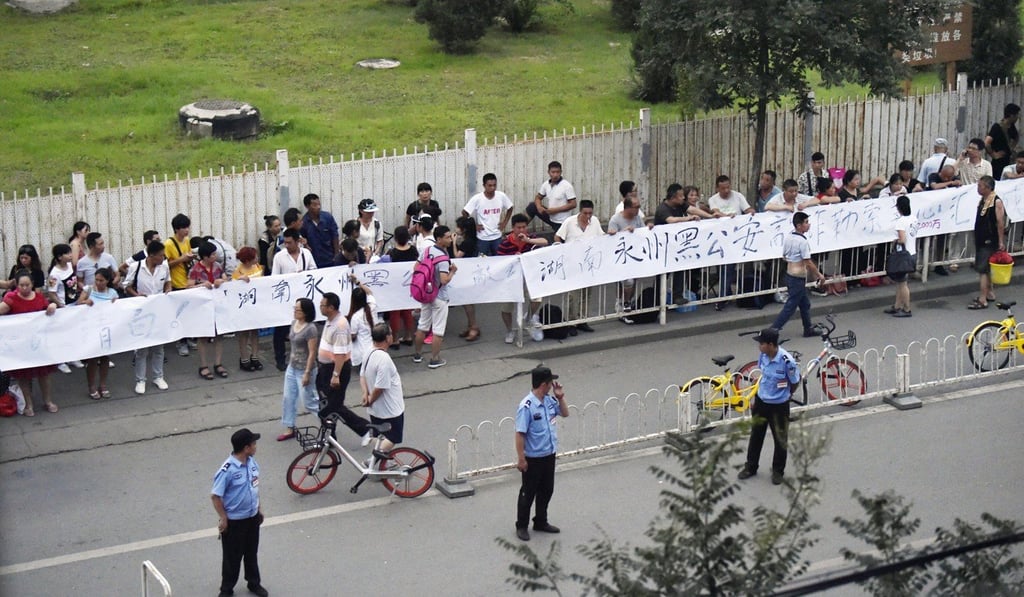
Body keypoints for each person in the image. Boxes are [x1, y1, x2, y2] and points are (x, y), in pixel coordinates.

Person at [738, 328, 800, 486]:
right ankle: (751, 467)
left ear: (771, 345)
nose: (759, 346)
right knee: (756, 436)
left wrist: (786, 395)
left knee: (780, 440)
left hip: (779, 405)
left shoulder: (787, 362)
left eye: (761, 343)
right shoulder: (763, 356)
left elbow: (794, 382)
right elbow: (764, 374)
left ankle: (778, 471)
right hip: (761, 401)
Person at [514, 365, 569, 541]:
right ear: (544, 384)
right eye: (550, 382)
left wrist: (560, 398)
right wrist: (521, 458)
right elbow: (520, 433)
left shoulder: (550, 401)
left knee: (547, 490)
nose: (553, 385)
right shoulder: (527, 406)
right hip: (533, 457)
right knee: (528, 493)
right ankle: (522, 525)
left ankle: (541, 521)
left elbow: (565, 413)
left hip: (549, 454)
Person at [211, 428, 268, 597]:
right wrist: (223, 518)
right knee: (232, 558)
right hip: (235, 521)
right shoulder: (227, 470)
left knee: (251, 553)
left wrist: (259, 509)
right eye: (254, 444)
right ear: (246, 447)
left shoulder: (252, 462)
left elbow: (254, 487)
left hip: (252, 518)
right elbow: (215, 496)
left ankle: (254, 583)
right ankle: (226, 589)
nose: (256, 446)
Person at [0, 270, 59, 416]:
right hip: (20, 345)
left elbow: (49, 309)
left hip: (38, 343)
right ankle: (28, 403)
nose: (24, 288)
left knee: (44, 374)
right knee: (23, 375)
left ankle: (48, 401)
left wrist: (53, 306)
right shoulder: (11, 298)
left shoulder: (39, 298)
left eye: (27, 285)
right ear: (16, 285)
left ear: (32, 284)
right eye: (21, 285)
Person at [316, 292, 372, 444]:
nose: (320, 307)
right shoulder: (330, 321)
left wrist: (335, 375)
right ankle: (329, 438)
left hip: (335, 369)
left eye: (323, 305)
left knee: (333, 406)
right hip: (324, 368)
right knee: (325, 403)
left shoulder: (340, 325)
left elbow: (340, 354)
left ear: (331, 307)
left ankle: (365, 428)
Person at [124, 240, 171, 394]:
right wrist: (137, 295)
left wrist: (168, 291)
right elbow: (126, 285)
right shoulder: (135, 267)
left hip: (159, 310)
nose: (163, 258)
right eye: (160, 255)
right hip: (142, 312)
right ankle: (140, 380)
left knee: (159, 347)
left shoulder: (164, 267)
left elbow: (168, 283)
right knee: (142, 349)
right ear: (151, 255)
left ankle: (158, 376)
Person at [771, 212, 826, 337]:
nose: (808, 225)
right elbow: (808, 262)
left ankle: (808, 329)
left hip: (790, 275)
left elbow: (784, 256)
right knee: (790, 306)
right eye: (806, 222)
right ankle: (773, 330)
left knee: (804, 304)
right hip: (798, 278)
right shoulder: (802, 242)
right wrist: (819, 275)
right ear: (799, 225)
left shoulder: (789, 237)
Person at [553, 199, 603, 334]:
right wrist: (561, 249)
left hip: (589, 264)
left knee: (586, 294)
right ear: (580, 211)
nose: (588, 216)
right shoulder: (570, 222)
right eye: (585, 213)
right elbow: (557, 237)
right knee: (572, 295)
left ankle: (582, 320)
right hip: (573, 264)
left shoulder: (595, 222)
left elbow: (601, 237)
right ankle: (570, 322)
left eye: (590, 213)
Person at [271, 228, 317, 371]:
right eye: (285, 242)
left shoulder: (306, 254)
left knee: (305, 328)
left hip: (303, 296)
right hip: (286, 298)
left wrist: (304, 274)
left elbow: (315, 270)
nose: (287, 245)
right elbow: (274, 278)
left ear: (297, 241)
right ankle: (280, 359)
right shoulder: (279, 257)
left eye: (290, 242)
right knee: (281, 330)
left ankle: (307, 357)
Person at [497, 214, 548, 343]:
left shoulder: (531, 238)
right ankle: (509, 330)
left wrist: (528, 241)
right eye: (518, 227)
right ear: (513, 228)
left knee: (537, 298)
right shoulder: (505, 243)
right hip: (511, 280)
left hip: (528, 277)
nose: (521, 230)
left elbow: (545, 242)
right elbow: (499, 262)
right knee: (506, 308)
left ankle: (529, 317)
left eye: (524, 227)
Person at [413, 225, 457, 368]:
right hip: (439, 297)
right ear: (439, 239)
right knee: (438, 330)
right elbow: (444, 280)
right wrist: (453, 272)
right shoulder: (443, 258)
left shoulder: (427, 251)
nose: (450, 239)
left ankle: (417, 355)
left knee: (422, 325)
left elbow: (416, 268)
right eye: (447, 237)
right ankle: (435, 359)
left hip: (426, 293)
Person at [277, 298, 319, 442]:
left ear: (306, 312)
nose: (295, 311)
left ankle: (326, 420)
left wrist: (307, 372)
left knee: (308, 401)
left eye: (298, 309)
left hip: (304, 369)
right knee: (288, 398)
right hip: (292, 366)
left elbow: (312, 352)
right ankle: (289, 426)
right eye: (294, 308)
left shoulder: (311, 329)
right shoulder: (294, 323)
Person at [360, 323, 406, 454]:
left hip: (375, 410)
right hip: (390, 409)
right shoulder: (384, 359)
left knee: (381, 437)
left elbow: (362, 374)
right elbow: (380, 387)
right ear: (387, 338)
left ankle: (381, 461)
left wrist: (365, 394)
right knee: (394, 437)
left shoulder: (369, 351)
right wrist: (370, 399)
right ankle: (374, 460)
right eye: (391, 333)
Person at [189, 242, 230, 380]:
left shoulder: (217, 266)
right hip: (203, 308)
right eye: (212, 254)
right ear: (205, 257)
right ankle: (203, 365)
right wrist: (201, 285)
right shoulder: (196, 269)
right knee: (203, 337)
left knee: (219, 336)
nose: (215, 256)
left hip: (218, 306)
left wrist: (221, 281)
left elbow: (226, 279)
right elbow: (188, 287)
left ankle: (218, 363)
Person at [77, 267, 118, 399]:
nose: (98, 282)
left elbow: (119, 309)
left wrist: (115, 304)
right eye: (96, 280)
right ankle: (91, 386)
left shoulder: (112, 293)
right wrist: (85, 302)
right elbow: (78, 304)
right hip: (92, 329)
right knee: (93, 360)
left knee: (105, 358)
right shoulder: (88, 290)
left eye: (101, 280)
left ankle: (103, 384)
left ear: (107, 281)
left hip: (106, 329)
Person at [969, 176, 1005, 310]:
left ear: (988, 188)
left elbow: (1000, 223)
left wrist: (1001, 241)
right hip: (981, 238)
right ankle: (989, 293)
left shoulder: (996, 202)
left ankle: (982, 299)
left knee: (983, 269)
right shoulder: (983, 200)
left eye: (981, 186)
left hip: (989, 240)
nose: (978, 188)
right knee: (987, 268)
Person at [166, 213, 197, 357]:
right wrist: (181, 259)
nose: (187, 230)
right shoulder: (169, 244)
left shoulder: (187, 241)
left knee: (189, 313)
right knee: (179, 314)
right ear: (177, 229)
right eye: (184, 227)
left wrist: (190, 257)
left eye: (188, 227)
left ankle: (189, 337)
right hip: (176, 282)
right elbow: (164, 265)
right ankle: (181, 342)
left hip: (188, 281)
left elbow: (188, 256)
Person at [462, 173, 514, 256]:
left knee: (498, 260)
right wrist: (474, 226)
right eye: (489, 185)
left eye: (494, 185)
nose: (492, 188)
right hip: (483, 238)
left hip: (497, 236)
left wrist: (504, 223)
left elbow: (510, 207)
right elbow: (464, 212)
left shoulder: (501, 196)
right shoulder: (477, 198)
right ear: (484, 185)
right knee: (482, 260)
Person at [884, 195, 917, 318]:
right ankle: (897, 306)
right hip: (912, 252)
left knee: (902, 283)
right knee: (900, 282)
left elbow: (902, 239)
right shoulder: (913, 218)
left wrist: (895, 241)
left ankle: (907, 308)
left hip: (904, 255)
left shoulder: (901, 221)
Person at [385, 226, 419, 348]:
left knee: (394, 312)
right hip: (409, 284)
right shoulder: (413, 250)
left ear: (395, 238)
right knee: (407, 311)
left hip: (395, 285)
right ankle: (408, 336)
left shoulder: (392, 253)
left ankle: (395, 339)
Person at [232, 247, 264, 372]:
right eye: (255, 257)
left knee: (255, 332)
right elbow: (234, 287)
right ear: (247, 260)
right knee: (244, 333)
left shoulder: (258, 268)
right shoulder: (238, 272)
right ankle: (244, 358)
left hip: (256, 304)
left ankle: (255, 356)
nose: (257, 258)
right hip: (244, 306)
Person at [453, 215, 482, 341]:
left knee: (468, 302)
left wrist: (454, 243)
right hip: (469, 272)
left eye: (458, 227)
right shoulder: (471, 239)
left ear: (463, 229)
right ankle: (470, 325)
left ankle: (474, 326)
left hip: (466, 273)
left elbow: (457, 256)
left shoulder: (467, 242)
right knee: (466, 302)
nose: (456, 229)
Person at [527, 160, 577, 230]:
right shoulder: (546, 184)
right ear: (548, 172)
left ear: (561, 172)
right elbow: (538, 197)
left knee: (558, 240)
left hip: (561, 222)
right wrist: (539, 207)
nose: (555, 175)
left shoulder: (566, 186)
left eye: (558, 172)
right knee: (532, 206)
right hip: (550, 216)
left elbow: (573, 204)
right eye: (553, 172)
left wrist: (555, 210)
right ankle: (520, 230)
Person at [347, 275, 379, 372]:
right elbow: (369, 292)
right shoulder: (372, 306)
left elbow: (353, 336)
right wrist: (357, 282)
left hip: (363, 352)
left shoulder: (356, 317)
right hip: (374, 347)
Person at [300, 192, 339, 268]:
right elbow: (303, 240)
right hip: (314, 261)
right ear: (307, 206)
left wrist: (336, 254)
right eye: (315, 205)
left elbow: (335, 236)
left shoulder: (328, 217)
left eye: (319, 204)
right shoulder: (304, 223)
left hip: (330, 258)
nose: (318, 207)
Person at [985, 103, 1020, 179]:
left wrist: (1012, 148)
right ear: (1011, 115)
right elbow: (987, 143)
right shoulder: (997, 127)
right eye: (1016, 115)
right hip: (998, 163)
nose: (1017, 117)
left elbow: (1016, 138)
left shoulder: (1012, 127)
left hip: (1008, 161)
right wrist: (993, 154)